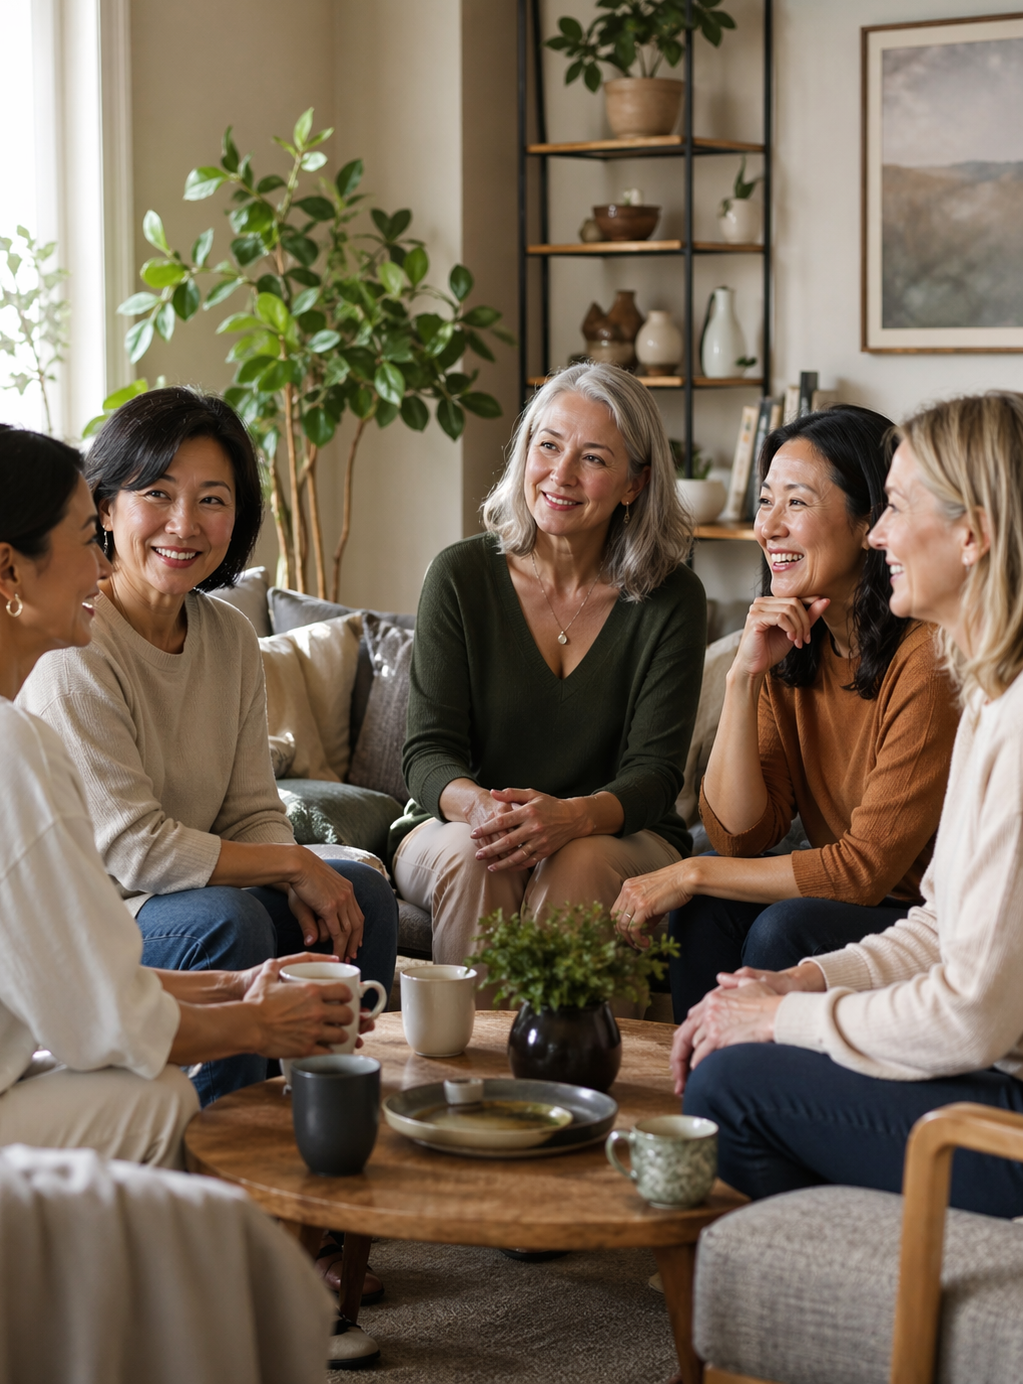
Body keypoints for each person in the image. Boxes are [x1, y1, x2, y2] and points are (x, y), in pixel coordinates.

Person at [0, 424, 369, 1171]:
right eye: (90, 538)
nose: (100, 565)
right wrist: (257, 1024)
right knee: (157, 1100)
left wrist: (233, 988)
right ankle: (235, 1237)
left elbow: (72, 979)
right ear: (7, 572)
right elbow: (95, 1018)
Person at [674, 390, 1023, 1219]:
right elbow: (940, 928)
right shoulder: (993, 694)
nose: (878, 536)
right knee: (751, 982)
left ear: (972, 535)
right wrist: (792, 985)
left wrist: (787, 1018)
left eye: (894, 508)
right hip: (984, 1063)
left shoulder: (999, 709)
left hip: (1001, 1107)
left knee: (734, 1087)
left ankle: (878, 1294)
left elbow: (970, 1013)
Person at [19, 388, 397, 1109]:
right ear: (104, 507)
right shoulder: (77, 643)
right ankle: (226, 1157)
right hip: (105, 916)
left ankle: (326, 1123)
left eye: (212, 500)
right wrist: (290, 864)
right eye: (156, 494)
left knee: (366, 897)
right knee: (230, 920)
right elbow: (136, 853)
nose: (184, 524)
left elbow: (253, 807)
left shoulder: (227, 637)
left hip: (197, 897)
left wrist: (299, 869)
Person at [611, 406, 960, 1022]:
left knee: (780, 928)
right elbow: (741, 834)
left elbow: (862, 872)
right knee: (705, 910)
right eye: (765, 501)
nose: (767, 527)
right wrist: (744, 677)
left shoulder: (927, 660)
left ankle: (754, 1087)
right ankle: (699, 1088)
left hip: (929, 922)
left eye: (795, 504)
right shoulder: (794, 644)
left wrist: (690, 871)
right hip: (854, 899)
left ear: (869, 523)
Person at [391, 362, 706, 990]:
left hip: (620, 832)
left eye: (592, 458)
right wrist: (483, 810)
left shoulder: (673, 598)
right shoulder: (459, 576)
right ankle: (474, 1077)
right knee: (478, 856)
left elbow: (655, 773)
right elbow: (427, 753)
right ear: (524, 452)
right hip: (458, 824)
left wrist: (572, 818)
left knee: (579, 863)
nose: (560, 475)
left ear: (633, 484)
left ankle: (574, 1072)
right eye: (548, 445)